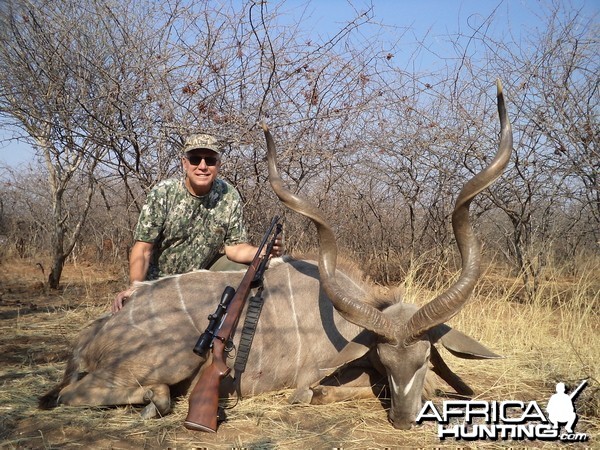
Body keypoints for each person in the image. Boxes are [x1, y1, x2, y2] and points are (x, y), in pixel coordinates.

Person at [112, 133, 282, 313]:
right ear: (184, 163)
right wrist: (135, 288)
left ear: (218, 165)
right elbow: (143, 249)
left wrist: (264, 251)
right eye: (195, 159)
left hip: (201, 278)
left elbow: (234, 248)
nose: (202, 166)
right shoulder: (163, 193)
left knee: (243, 270)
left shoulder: (228, 195)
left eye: (209, 160)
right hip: (161, 281)